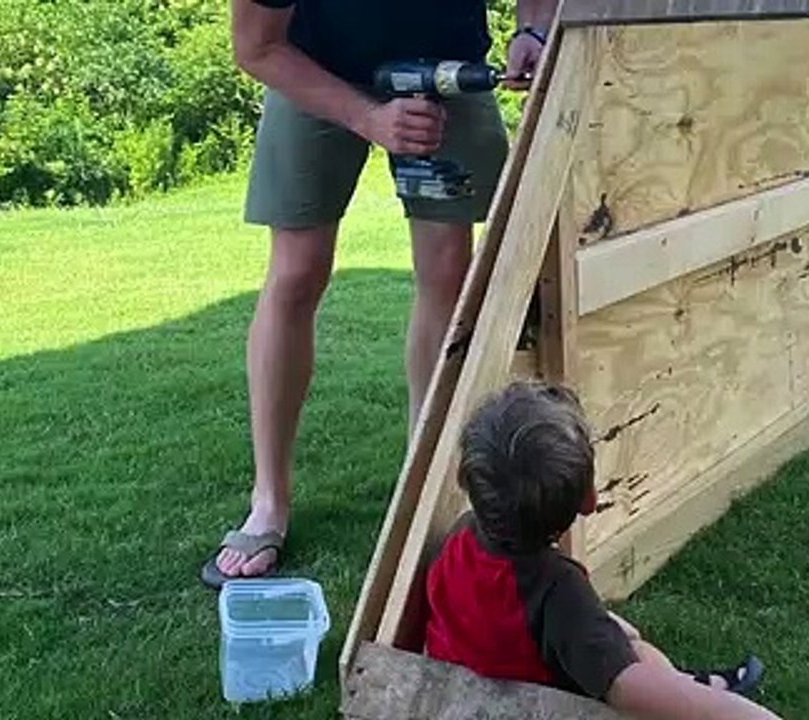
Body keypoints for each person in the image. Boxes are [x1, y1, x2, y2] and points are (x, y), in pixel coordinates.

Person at [201, 0, 557, 587]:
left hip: (445, 63)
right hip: (311, 67)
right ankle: (269, 500)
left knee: (448, 270)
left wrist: (531, 30)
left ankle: (426, 486)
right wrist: (368, 118)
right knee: (298, 270)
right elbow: (256, 46)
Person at [422, 380, 785, 720]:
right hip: (532, 706)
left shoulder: (458, 537)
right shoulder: (558, 590)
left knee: (615, 632)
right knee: (636, 652)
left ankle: (691, 683)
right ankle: (700, 689)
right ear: (589, 501)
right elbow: (626, 686)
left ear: (465, 480)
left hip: (456, 693)